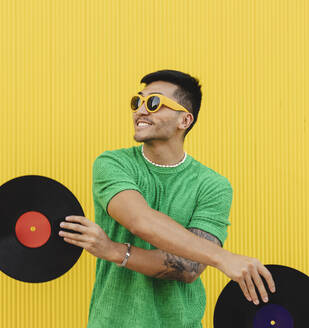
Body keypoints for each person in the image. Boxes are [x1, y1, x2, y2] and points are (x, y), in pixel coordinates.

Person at [58, 69, 276, 328]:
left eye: (154, 103)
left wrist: (114, 251)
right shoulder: (112, 164)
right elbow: (140, 220)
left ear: (184, 120)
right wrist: (223, 257)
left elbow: (188, 268)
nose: (140, 111)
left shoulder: (213, 186)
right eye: (137, 102)